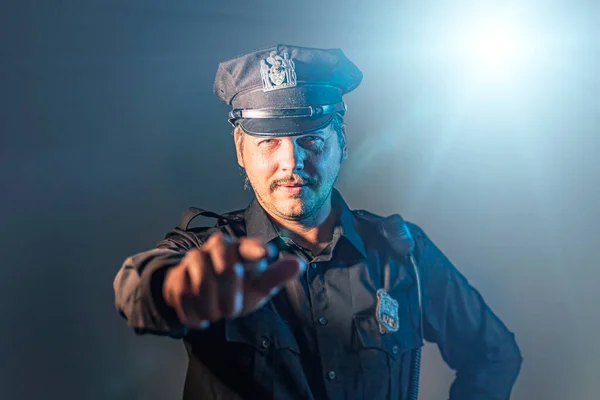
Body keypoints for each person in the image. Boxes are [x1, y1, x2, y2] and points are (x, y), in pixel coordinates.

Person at [113, 44, 523, 400]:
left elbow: (493, 354)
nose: (290, 162)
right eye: (269, 142)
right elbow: (134, 288)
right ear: (241, 149)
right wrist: (173, 288)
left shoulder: (404, 255)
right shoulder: (207, 255)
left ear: (341, 143)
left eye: (311, 139)